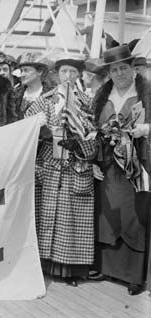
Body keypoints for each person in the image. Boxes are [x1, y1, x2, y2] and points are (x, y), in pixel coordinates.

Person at [25, 52, 96, 287]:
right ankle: (45, 265)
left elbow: (97, 136)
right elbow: (26, 124)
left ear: (79, 75)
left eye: (72, 72)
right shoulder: (46, 100)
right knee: (47, 215)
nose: (68, 76)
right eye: (64, 71)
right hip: (50, 165)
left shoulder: (87, 102)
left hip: (75, 166)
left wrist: (81, 144)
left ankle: (70, 270)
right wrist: (41, 132)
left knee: (71, 219)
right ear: (57, 74)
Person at [91, 45, 151, 295]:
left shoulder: (145, 93)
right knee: (108, 214)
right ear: (109, 73)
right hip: (107, 164)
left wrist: (144, 130)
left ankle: (134, 275)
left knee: (134, 215)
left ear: (132, 69)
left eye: (123, 68)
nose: (119, 73)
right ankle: (107, 267)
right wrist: (93, 160)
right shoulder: (102, 97)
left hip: (136, 163)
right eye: (114, 69)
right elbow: (92, 130)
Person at [14, 51, 51, 116]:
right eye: (21, 71)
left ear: (40, 71)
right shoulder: (14, 94)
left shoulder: (51, 95)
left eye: (26, 70)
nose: (22, 74)